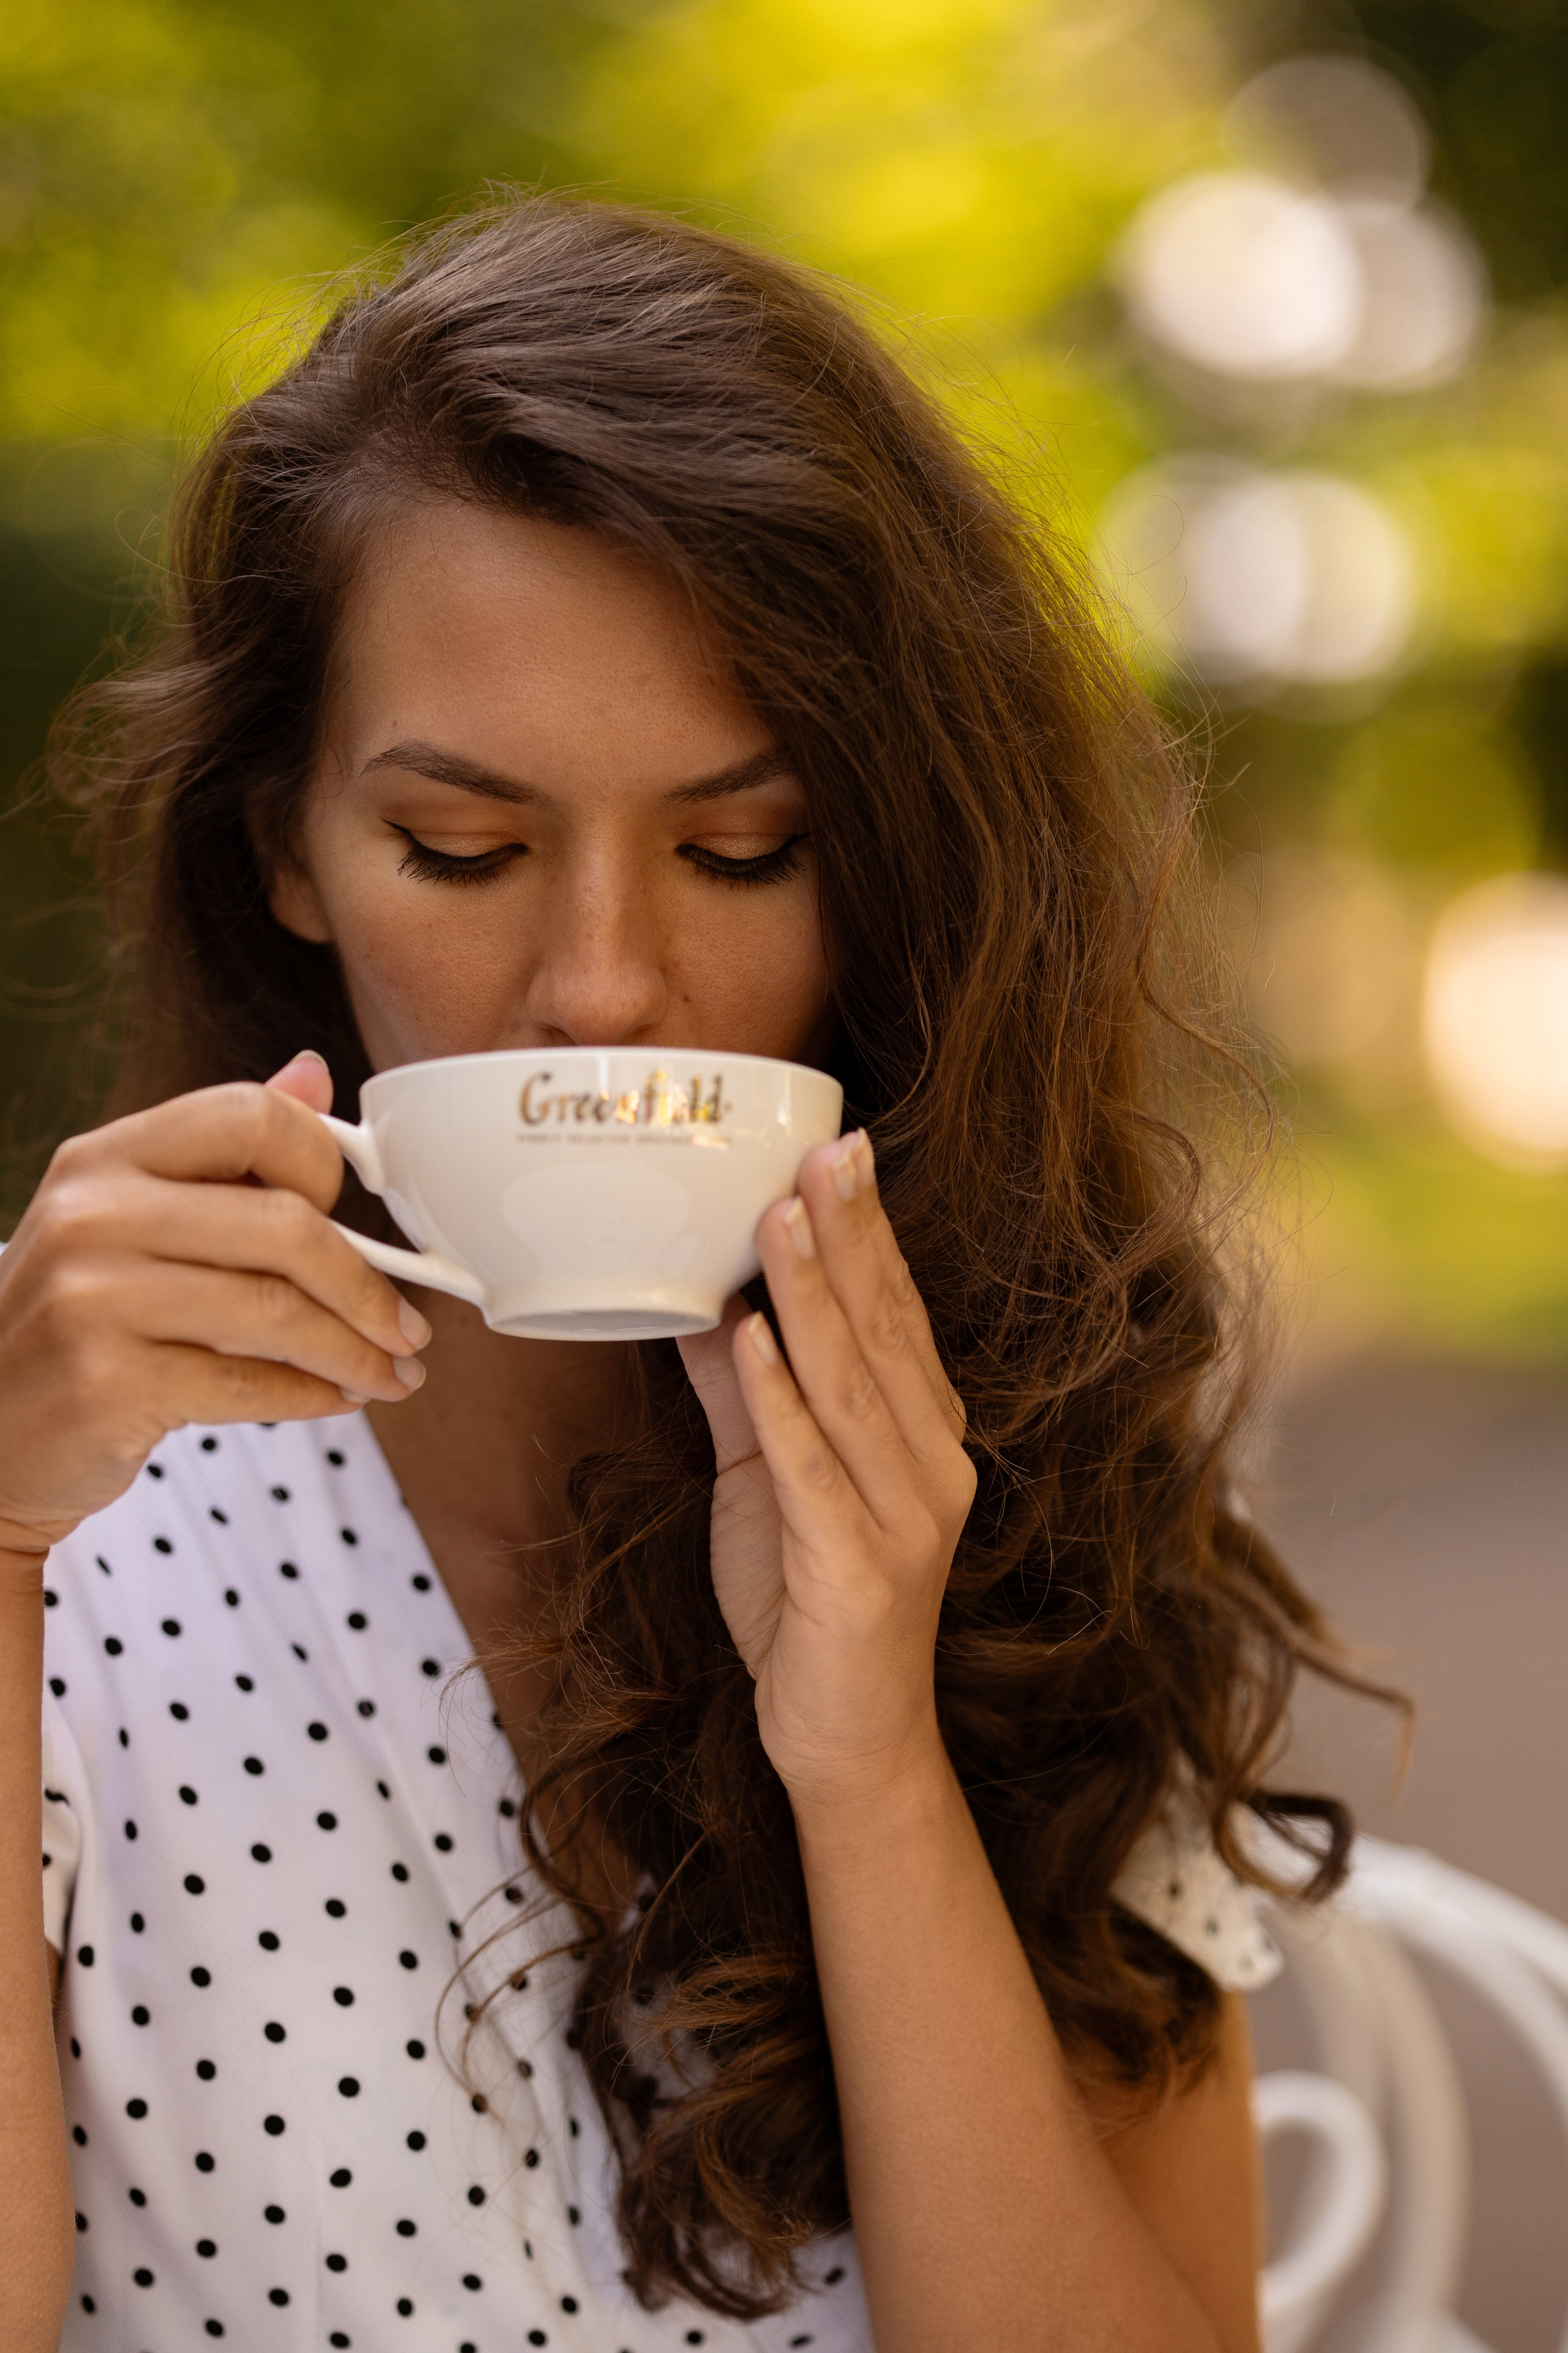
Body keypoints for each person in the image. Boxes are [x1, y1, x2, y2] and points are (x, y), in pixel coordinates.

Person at [0, 197, 1352, 2353]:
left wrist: (872, 1759)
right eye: (463, 847)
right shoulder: (70, 1498)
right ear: (285, 846)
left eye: (743, 849)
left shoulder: (1045, 1462)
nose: (606, 983)